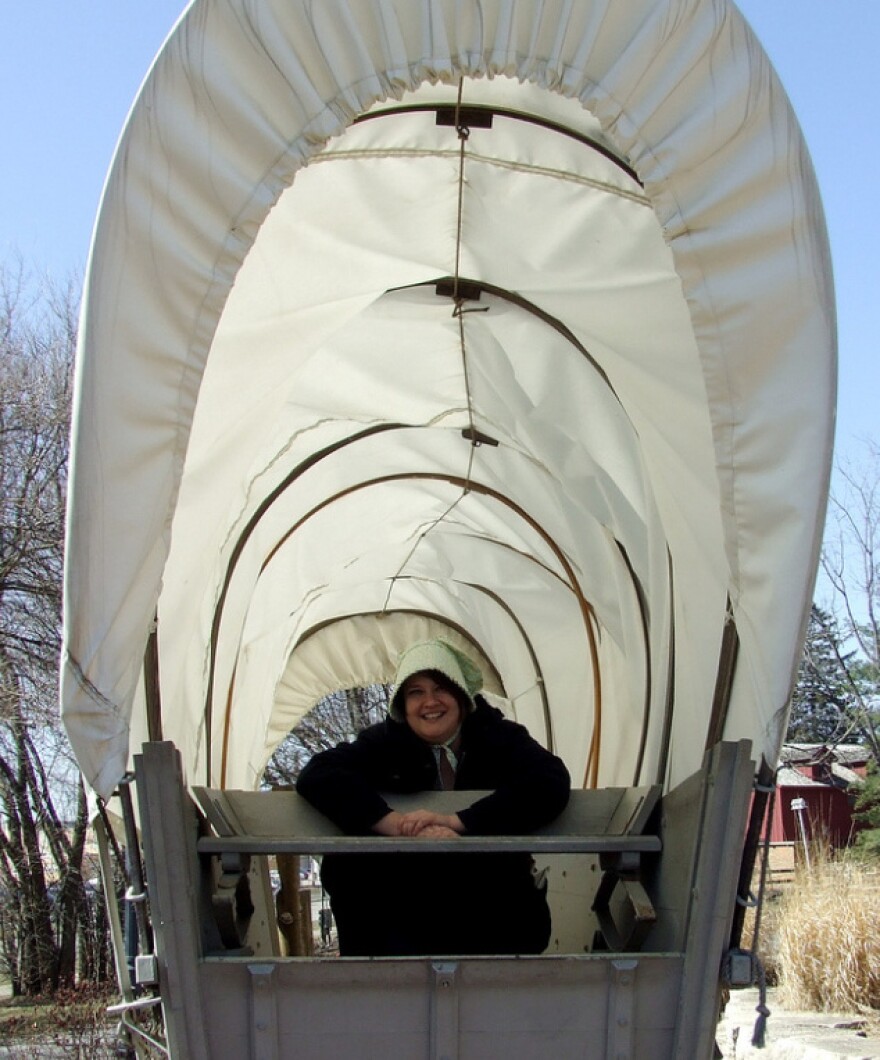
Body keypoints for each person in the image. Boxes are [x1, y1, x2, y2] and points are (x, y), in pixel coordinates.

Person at [296, 639, 571, 956]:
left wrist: (458, 822)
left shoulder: (497, 736)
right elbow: (317, 774)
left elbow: (550, 780)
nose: (430, 702)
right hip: (405, 910)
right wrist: (398, 824)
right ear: (402, 704)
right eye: (416, 692)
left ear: (461, 695)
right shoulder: (384, 743)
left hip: (487, 902)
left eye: (441, 688)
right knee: (349, 864)